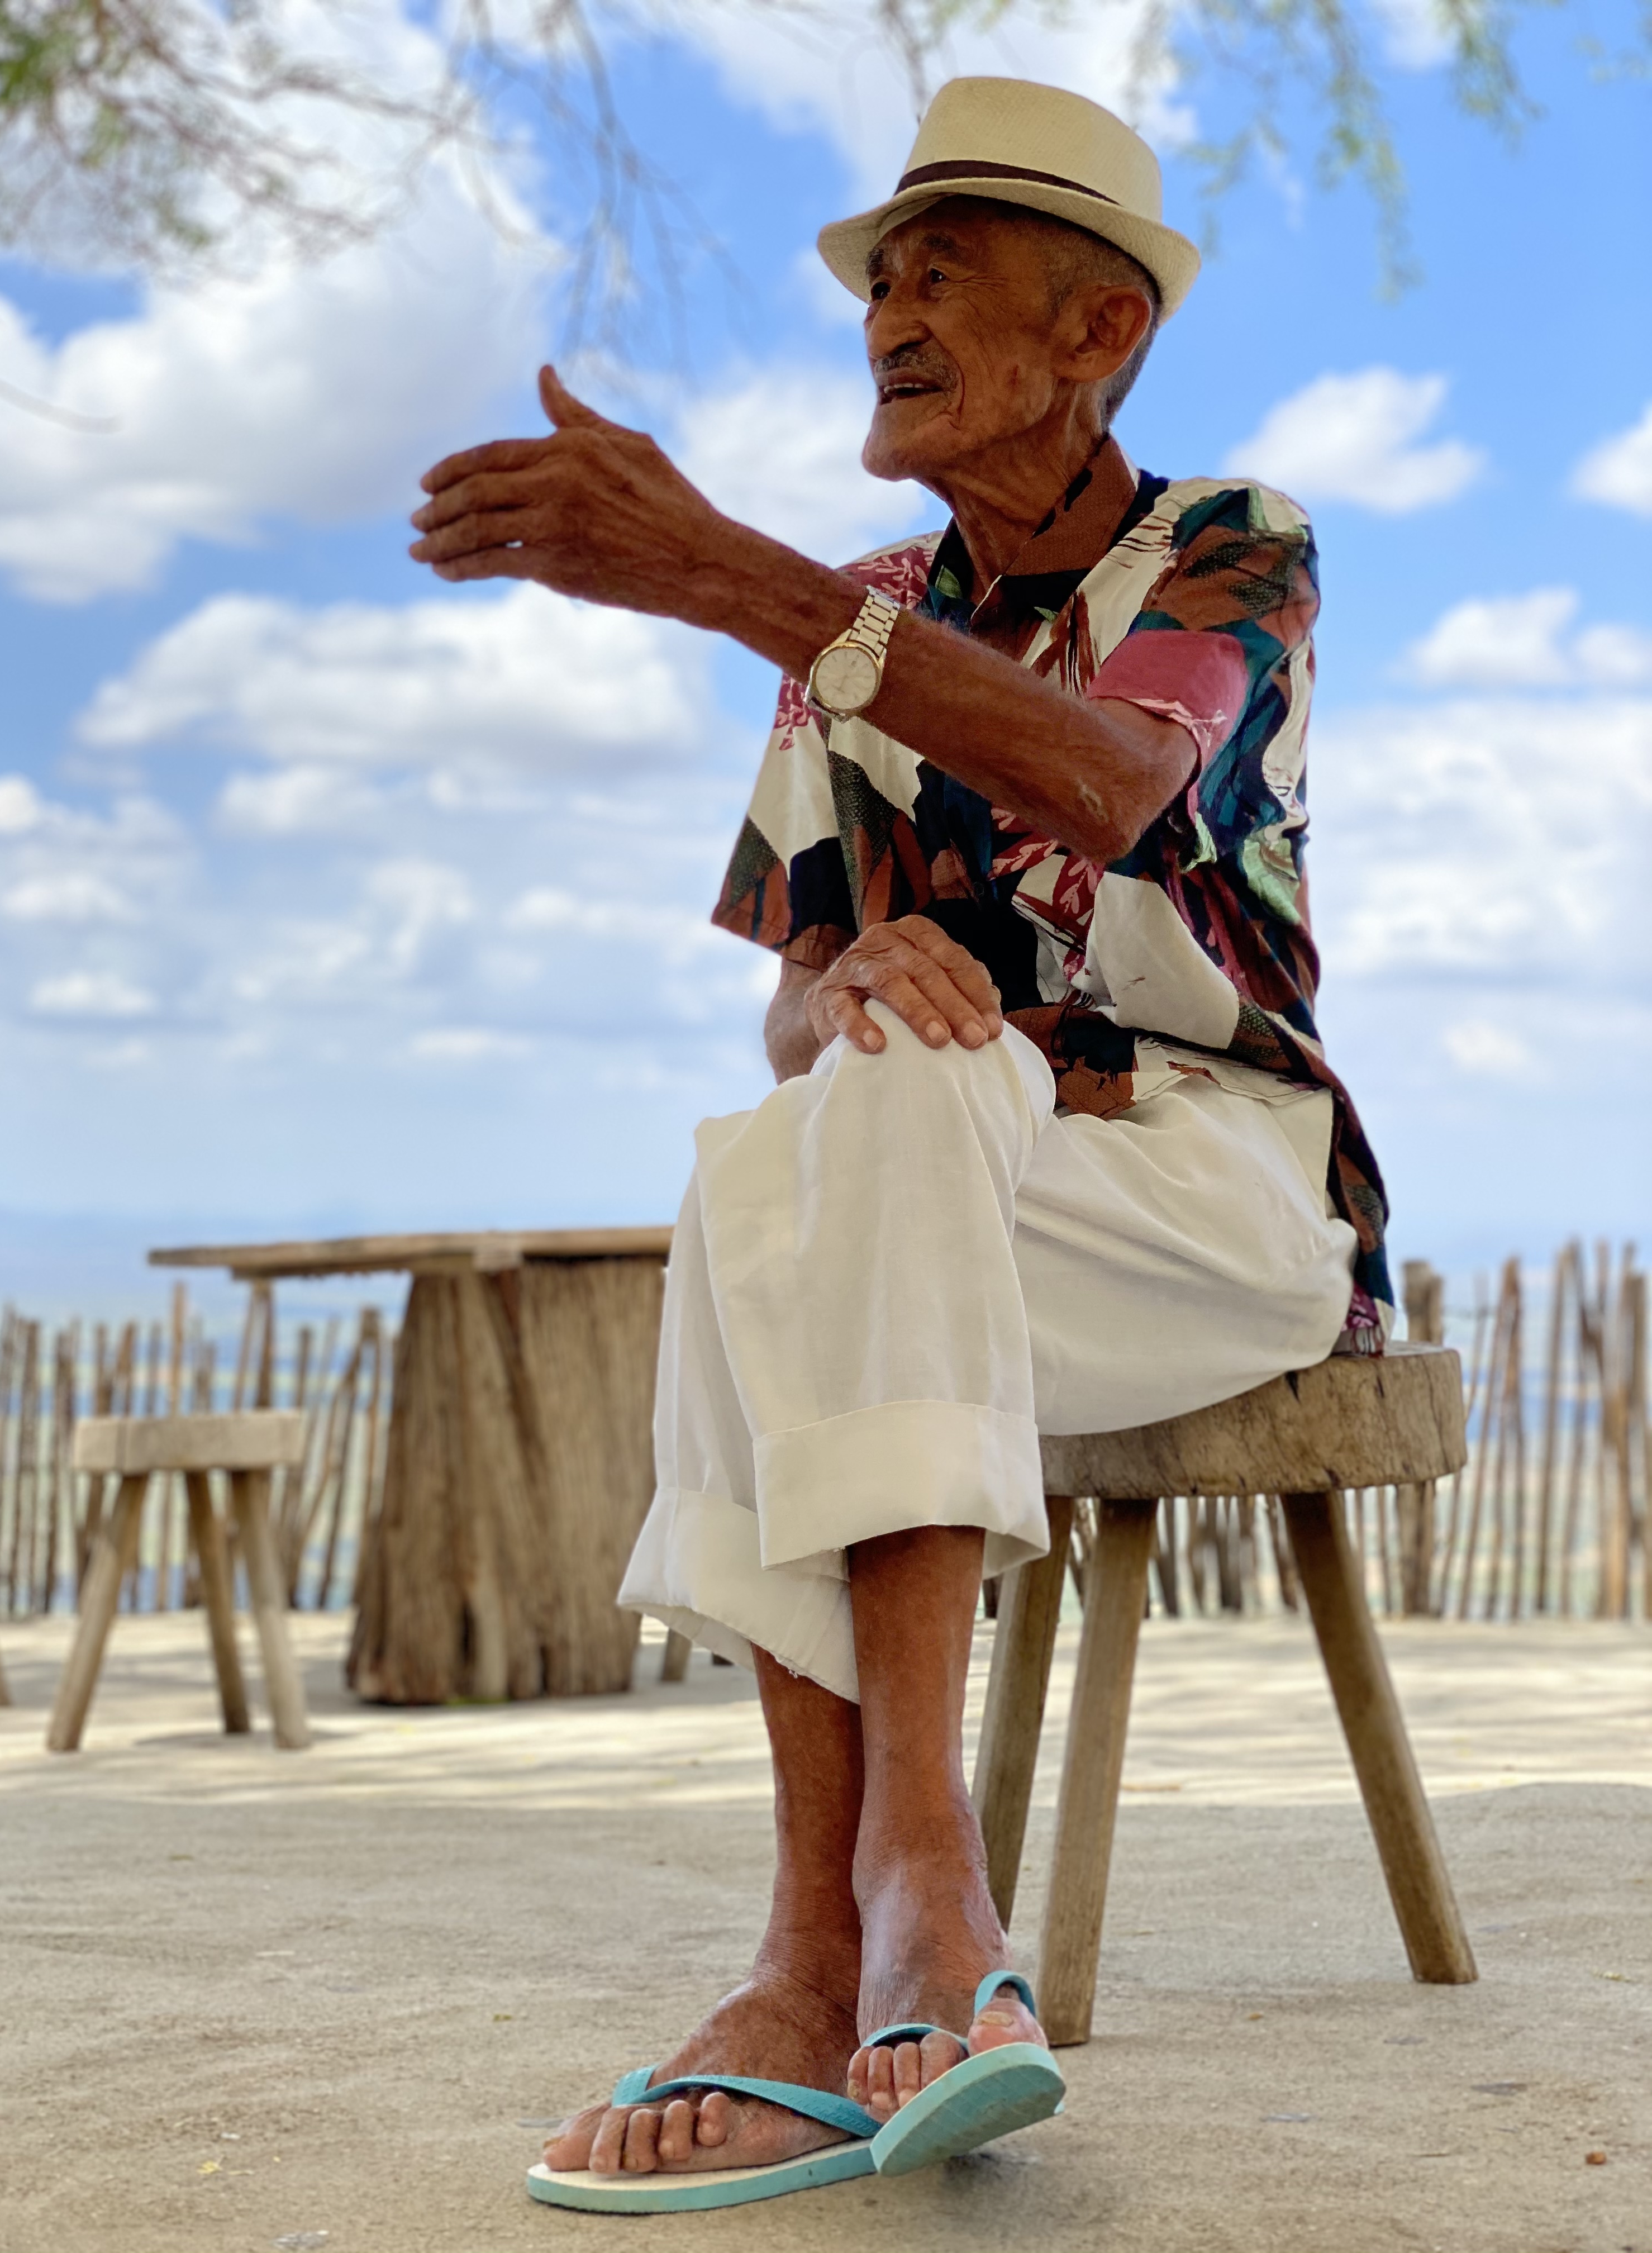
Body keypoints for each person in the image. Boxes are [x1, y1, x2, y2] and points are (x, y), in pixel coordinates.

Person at [410, 75, 1392, 2201]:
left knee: (854, 1140)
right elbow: (791, 1013)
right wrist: (844, 979)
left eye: (948, 271)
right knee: (812, 1120)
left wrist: (726, 576)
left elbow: (1115, 784)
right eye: (884, 278)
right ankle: (877, 1938)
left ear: (1100, 329)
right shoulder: (851, 599)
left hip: (1211, 1187)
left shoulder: (1230, 547)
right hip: (955, 1201)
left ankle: (854, 1916)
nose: (893, 309)